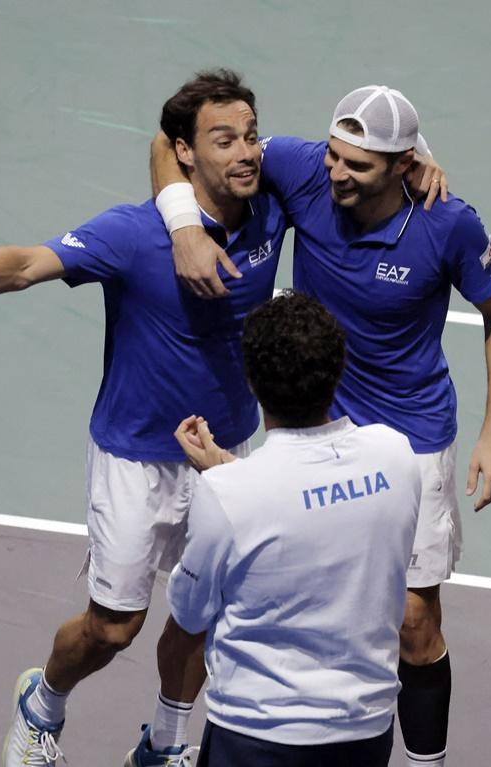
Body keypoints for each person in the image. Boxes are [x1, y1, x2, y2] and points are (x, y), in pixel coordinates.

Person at [0, 69, 286, 767]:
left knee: (204, 615)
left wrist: (418, 160)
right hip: (134, 455)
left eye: (252, 136)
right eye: (224, 139)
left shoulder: (271, 205)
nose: (246, 153)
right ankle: (42, 703)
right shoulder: (130, 234)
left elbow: (353, 170)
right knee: (114, 629)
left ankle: (165, 743)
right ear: (182, 152)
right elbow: (25, 264)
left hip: (225, 447)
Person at [152, 84, 491, 767]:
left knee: (413, 622)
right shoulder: (301, 166)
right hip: (312, 415)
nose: (337, 173)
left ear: (404, 164)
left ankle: (423, 761)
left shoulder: (447, 223)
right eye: (334, 156)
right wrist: (181, 227)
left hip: (412, 432)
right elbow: (169, 143)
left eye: (358, 165)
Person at [167, 290, 421, 766]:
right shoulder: (397, 457)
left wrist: (224, 478)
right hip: (364, 735)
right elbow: (316, 503)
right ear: (338, 368)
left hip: (256, 736)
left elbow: (189, 612)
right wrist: (227, 472)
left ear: (251, 381)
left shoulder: (229, 494)